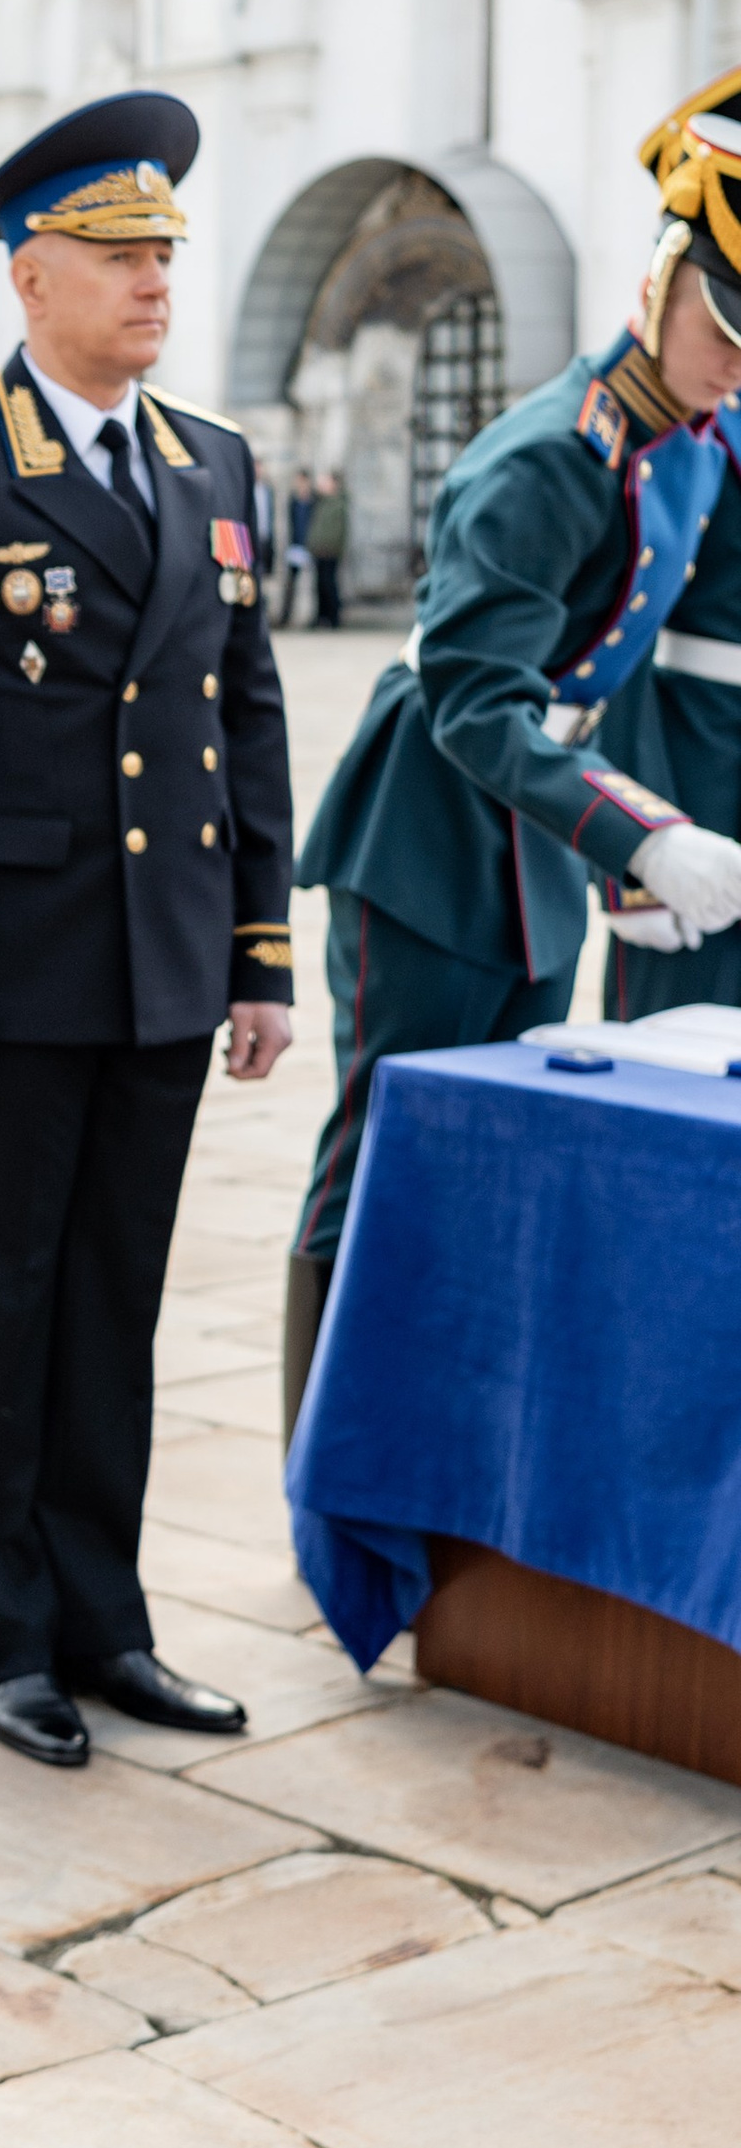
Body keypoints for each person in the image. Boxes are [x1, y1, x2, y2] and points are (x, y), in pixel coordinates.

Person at [0, 90, 296, 1768]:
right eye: (117, 251)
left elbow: (246, 712)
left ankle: (111, 1620)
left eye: (164, 248)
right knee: (5, 1306)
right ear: (32, 275)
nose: (155, 278)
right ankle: (8, 1634)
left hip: (163, 965)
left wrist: (259, 951)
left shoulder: (212, 461)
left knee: (117, 1302)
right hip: (6, 981)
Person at [287, 70, 741, 1419]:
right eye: (724, 325)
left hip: (537, 836)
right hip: (429, 830)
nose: (733, 362)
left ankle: (445, 1443)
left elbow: (598, 687)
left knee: (504, 1142)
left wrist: (613, 865)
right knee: (385, 1145)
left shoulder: (693, 451)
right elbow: (476, 703)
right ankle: (330, 1462)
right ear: (661, 280)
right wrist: (645, 834)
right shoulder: (545, 455)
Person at [306, 469, 348, 629]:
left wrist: (335, 549)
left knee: (329, 585)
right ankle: (321, 617)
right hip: (319, 550)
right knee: (319, 586)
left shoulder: (338, 504)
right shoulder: (321, 502)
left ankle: (334, 617)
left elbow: (340, 531)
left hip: (330, 551)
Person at [275, 468, 315, 629]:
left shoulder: (314, 501)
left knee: (311, 583)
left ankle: (309, 617)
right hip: (295, 546)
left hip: (310, 546)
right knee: (290, 583)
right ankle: (286, 616)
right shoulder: (293, 500)